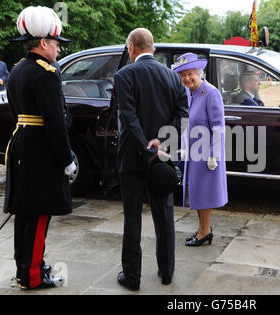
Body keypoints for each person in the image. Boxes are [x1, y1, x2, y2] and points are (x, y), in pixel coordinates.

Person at [5, 6, 76, 290]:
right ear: (44, 42)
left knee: (24, 213)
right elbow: (56, 123)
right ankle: (32, 275)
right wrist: (66, 159)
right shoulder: (46, 73)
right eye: (57, 43)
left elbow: (16, 113)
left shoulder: (17, 70)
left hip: (21, 144)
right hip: (39, 151)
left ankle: (25, 268)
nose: (58, 49)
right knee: (38, 214)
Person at [114, 28, 188, 290]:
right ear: (152, 48)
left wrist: (147, 149)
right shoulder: (172, 77)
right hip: (163, 158)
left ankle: (132, 277)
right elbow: (182, 116)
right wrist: (161, 142)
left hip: (134, 158)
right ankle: (166, 272)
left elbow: (129, 118)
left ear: (132, 47)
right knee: (164, 215)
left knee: (132, 217)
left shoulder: (124, 75)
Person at [172, 53, 228, 246]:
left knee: (204, 195)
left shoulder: (210, 92)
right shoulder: (189, 92)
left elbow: (218, 127)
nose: (186, 78)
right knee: (196, 193)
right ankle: (203, 229)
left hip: (206, 155)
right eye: (182, 75)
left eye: (190, 74)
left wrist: (214, 155)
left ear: (198, 73)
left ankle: (204, 231)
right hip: (193, 152)